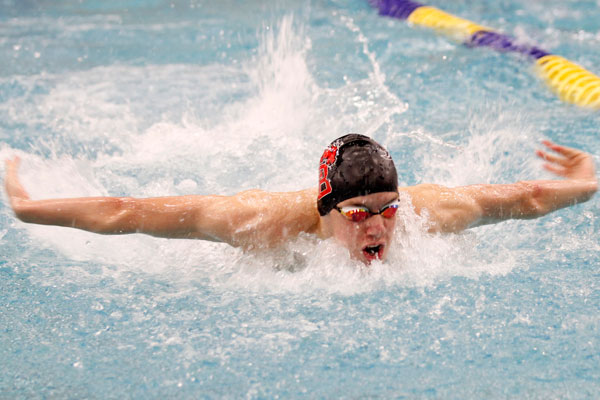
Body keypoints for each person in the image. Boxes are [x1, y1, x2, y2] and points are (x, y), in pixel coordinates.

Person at [4, 134, 598, 264]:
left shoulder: (428, 213)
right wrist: (27, 205)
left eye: (388, 209)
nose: (380, 229)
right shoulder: (259, 222)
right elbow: (125, 212)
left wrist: (590, 176)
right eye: (360, 213)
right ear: (326, 209)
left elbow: (531, 195)